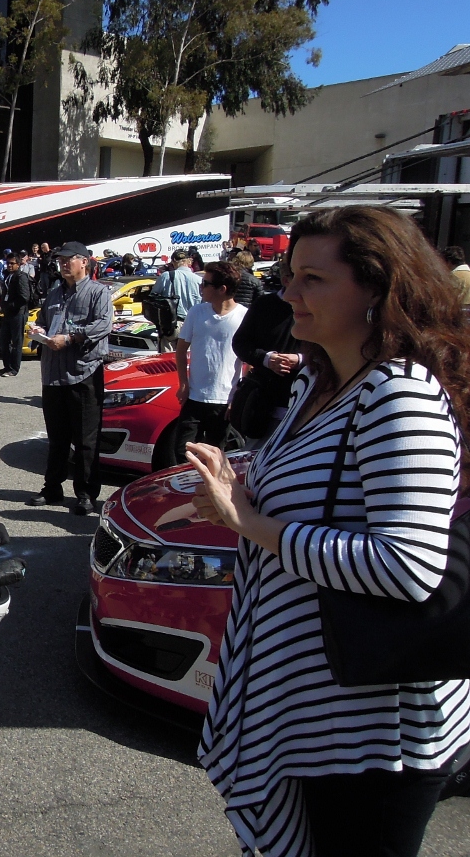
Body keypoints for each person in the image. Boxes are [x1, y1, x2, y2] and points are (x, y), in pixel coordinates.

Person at [189, 206, 470, 857]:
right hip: (317, 710)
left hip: (371, 732)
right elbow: (311, 493)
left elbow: (409, 567)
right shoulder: (322, 380)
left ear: (377, 288)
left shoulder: (399, 394)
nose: (288, 294)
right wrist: (236, 485)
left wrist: (249, 521)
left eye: (313, 278)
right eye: (290, 275)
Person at [27, 241, 114, 516]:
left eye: (69, 259)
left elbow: (103, 324)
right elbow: (42, 319)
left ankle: (87, 494)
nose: (63, 264)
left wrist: (72, 338)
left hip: (83, 373)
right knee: (57, 438)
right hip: (53, 375)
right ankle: (52, 488)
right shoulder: (54, 293)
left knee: (86, 440)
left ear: (84, 262)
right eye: (60, 260)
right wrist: (37, 329)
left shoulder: (98, 292)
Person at [172, 261, 246, 464]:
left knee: (214, 457)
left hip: (224, 400)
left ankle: (208, 494)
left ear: (222, 289)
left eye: (205, 284)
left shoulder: (243, 317)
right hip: (195, 396)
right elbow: (180, 350)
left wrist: (237, 397)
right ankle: (186, 493)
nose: (200, 287)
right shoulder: (197, 312)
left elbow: (250, 361)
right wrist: (184, 383)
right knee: (183, 452)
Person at [230, 260, 300, 441]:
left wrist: (300, 359)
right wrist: (266, 359)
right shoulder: (264, 305)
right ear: (286, 280)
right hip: (262, 405)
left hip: (304, 406)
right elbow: (240, 342)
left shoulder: (320, 307)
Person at [149, 248, 202, 353]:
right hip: (192, 325)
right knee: (187, 358)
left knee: (166, 362)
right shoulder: (199, 280)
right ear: (189, 262)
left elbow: (152, 297)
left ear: (173, 262)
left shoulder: (166, 276)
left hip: (170, 325)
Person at [0, 253, 33, 377]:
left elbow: (24, 297)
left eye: (12, 263)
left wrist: (9, 306)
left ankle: (14, 368)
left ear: (18, 264)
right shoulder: (8, 276)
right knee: (3, 341)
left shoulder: (21, 277)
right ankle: (7, 366)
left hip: (18, 313)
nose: (10, 265)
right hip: (8, 313)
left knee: (17, 342)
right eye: (8, 263)